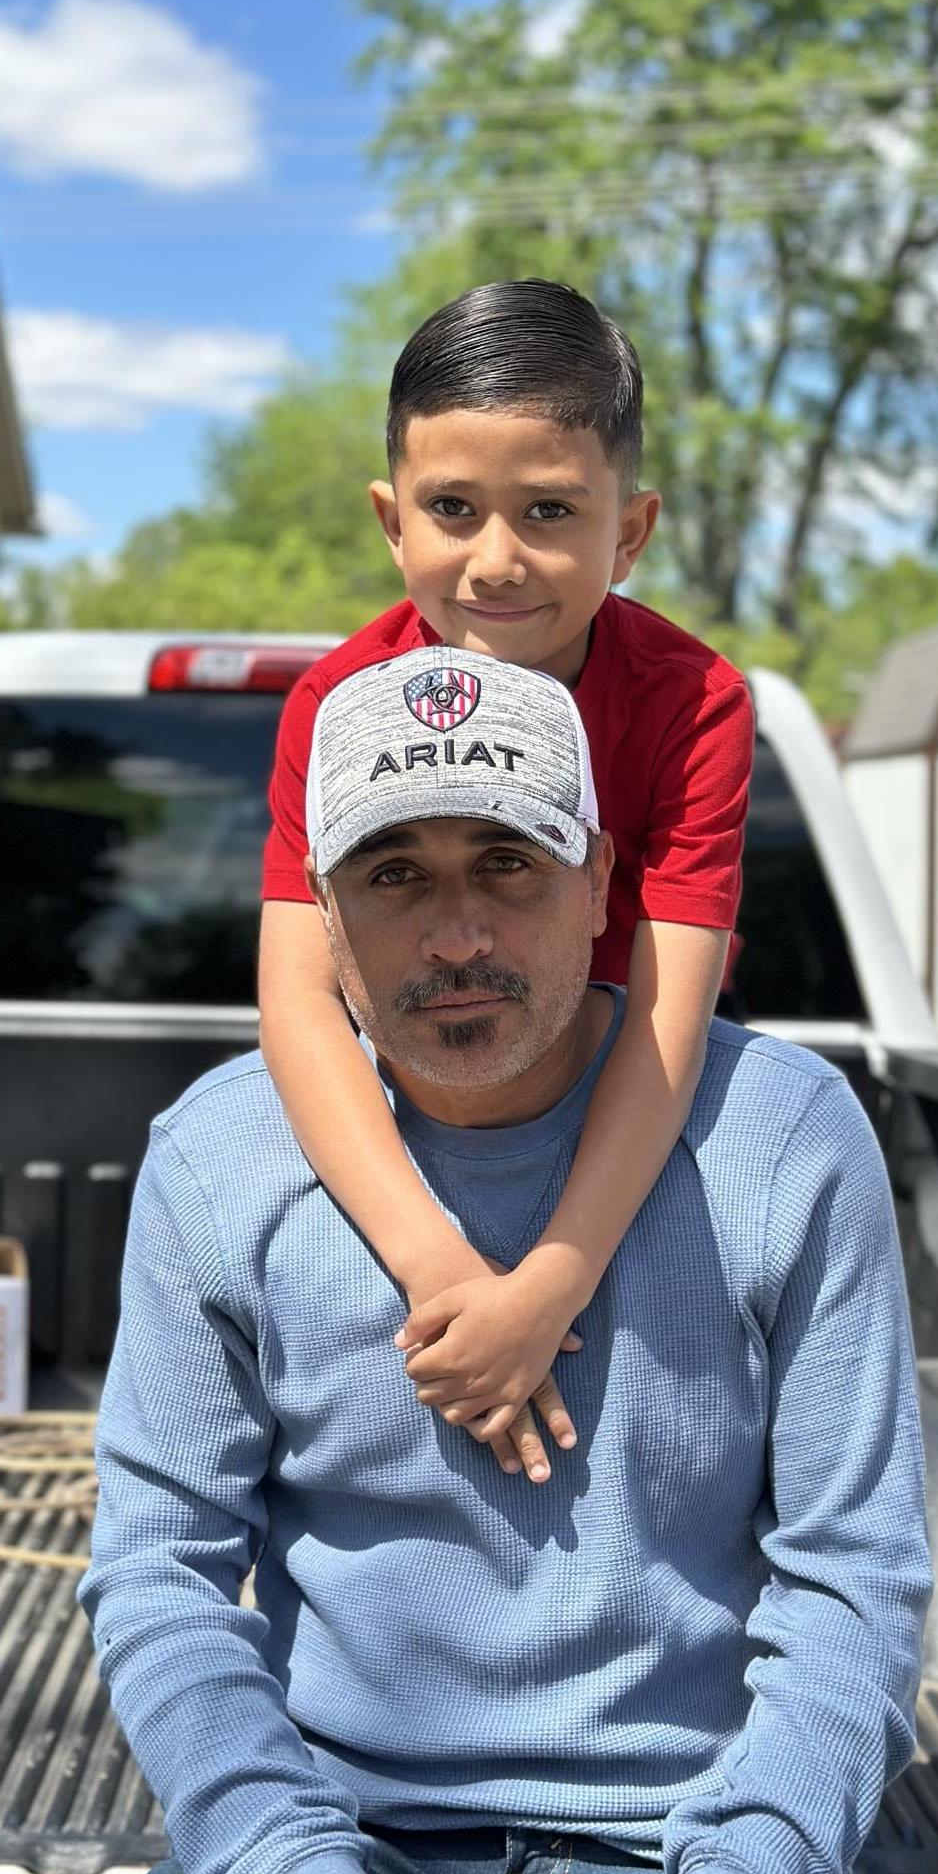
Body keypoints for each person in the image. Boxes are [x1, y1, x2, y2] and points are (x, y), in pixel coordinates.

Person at [74, 651, 932, 1874]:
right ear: (321, 910)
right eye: (394, 874)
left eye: (508, 864)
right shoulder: (219, 1158)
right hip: (340, 1839)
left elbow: (856, 1578)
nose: (456, 935)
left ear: (599, 881)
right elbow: (159, 1576)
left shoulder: (785, 1140)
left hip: (687, 1850)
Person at [259, 279, 753, 1483]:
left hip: (626, 1132)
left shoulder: (696, 704)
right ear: (392, 520)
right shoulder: (334, 707)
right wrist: (439, 1267)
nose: (496, 559)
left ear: (629, 531)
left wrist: (550, 1283)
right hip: (410, 1140)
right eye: (452, 508)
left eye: (548, 510)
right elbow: (301, 996)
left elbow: (669, 1014)